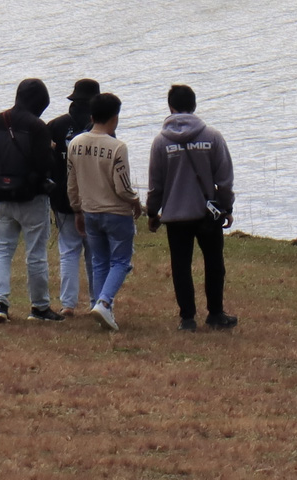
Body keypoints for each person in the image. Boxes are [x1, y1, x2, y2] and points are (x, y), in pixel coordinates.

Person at [146, 84, 238, 332]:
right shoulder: (212, 137)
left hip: (175, 216)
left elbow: (155, 185)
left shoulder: (160, 143)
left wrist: (153, 213)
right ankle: (216, 314)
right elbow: (225, 180)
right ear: (194, 106)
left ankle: (187, 318)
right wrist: (226, 207)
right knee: (214, 263)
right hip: (207, 215)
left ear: (170, 107)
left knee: (181, 266)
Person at [0, 78, 62, 323]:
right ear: (39, 104)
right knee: (35, 254)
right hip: (31, 198)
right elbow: (45, 166)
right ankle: (39, 308)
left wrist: (5, 162)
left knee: (2, 249)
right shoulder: (38, 127)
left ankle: (0, 304)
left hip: (1, 196)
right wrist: (51, 149)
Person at [66, 92, 142, 331]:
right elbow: (123, 187)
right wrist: (135, 201)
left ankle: (102, 309)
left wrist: (77, 209)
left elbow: (72, 182)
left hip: (90, 211)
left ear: (92, 116)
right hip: (116, 213)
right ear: (115, 117)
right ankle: (104, 302)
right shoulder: (117, 147)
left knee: (99, 261)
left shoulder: (76, 143)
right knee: (120, 261)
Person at [45, 78, 101, 316]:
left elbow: (46, 162)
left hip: (63, 197)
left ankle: (68, 304)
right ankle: (97, 302)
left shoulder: (56, 126)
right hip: (94, 198)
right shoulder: (102, 129)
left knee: (68, 250)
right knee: (94, 252)